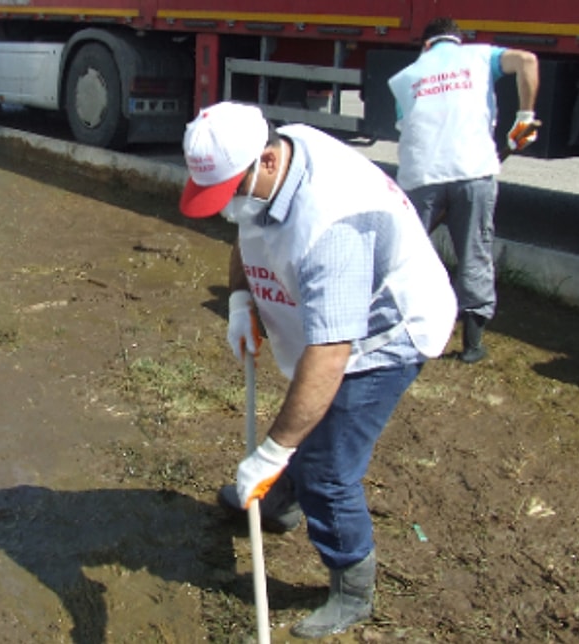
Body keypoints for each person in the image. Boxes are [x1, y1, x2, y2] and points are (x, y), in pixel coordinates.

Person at [178, 101, 457, 638]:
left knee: (328, 470)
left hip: (385, 334)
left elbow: (330, 357)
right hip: (333, 322)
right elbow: (249, 229)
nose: (227, 207)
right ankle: (280, 501)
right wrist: (241, 300)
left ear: (263, 161)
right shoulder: (277, 158)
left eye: (231, 190)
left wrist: (273, 452)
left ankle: (353, 585)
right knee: (309, 435)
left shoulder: (331, 224)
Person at [388, 17, 539, 363]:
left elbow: (409, 127)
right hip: (473, 172)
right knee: (473, 252)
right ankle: (473, 343)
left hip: (421, 175)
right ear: (457, 41)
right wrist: (525, 117)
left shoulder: (404, 78)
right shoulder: (481, 56)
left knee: (406, 253)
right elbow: (528, 61)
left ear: (425, 45)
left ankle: (402, 328)